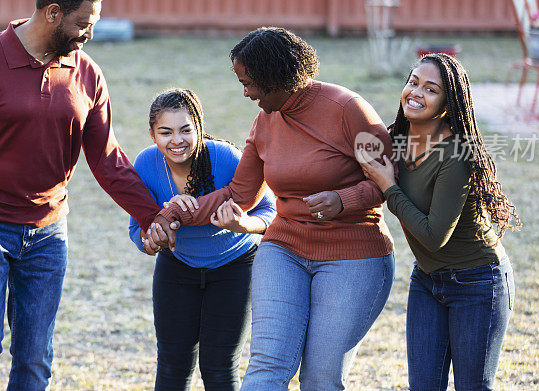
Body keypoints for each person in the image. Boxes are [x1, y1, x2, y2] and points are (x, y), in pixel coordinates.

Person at [0, 0, 166, 390]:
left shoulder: (87, 73)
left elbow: (107, 159)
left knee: (35, 357)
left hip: (48, 232)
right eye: (83, 22)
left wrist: (153, 216)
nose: (89, 33)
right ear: (52, 13)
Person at [148, 27, 395, 390]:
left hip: (352, 252)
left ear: (276, 77)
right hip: (285, 249)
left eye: (250, 83)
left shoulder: (347, 109)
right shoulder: (266, 119)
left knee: (320, 377)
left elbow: (388, 178)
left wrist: (344, 200)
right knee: (267, 365)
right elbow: (238, 193)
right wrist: (172, 213)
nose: (245, 92)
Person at [356, 53, 519, 390]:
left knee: (472, 386)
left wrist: (389, 186)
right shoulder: (397, 141)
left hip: (477, 283)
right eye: (413, 82)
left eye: (431, 89)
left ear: (448, 104)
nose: (416, 92)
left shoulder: (456, 154)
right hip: (427, 280)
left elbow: (433, 237)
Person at [129, 88, 276, 390]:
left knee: (219, 367)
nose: (177, 140)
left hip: (234, 268)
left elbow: (271, 212)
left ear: (199, 126)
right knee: (172, 364)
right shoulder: (145, 164)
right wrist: (152, 239)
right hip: (177, 267)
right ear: (152, 134)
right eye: (165, 132)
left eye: (186, 129)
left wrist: (243, 224)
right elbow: (137, 228)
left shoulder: (225, 157)